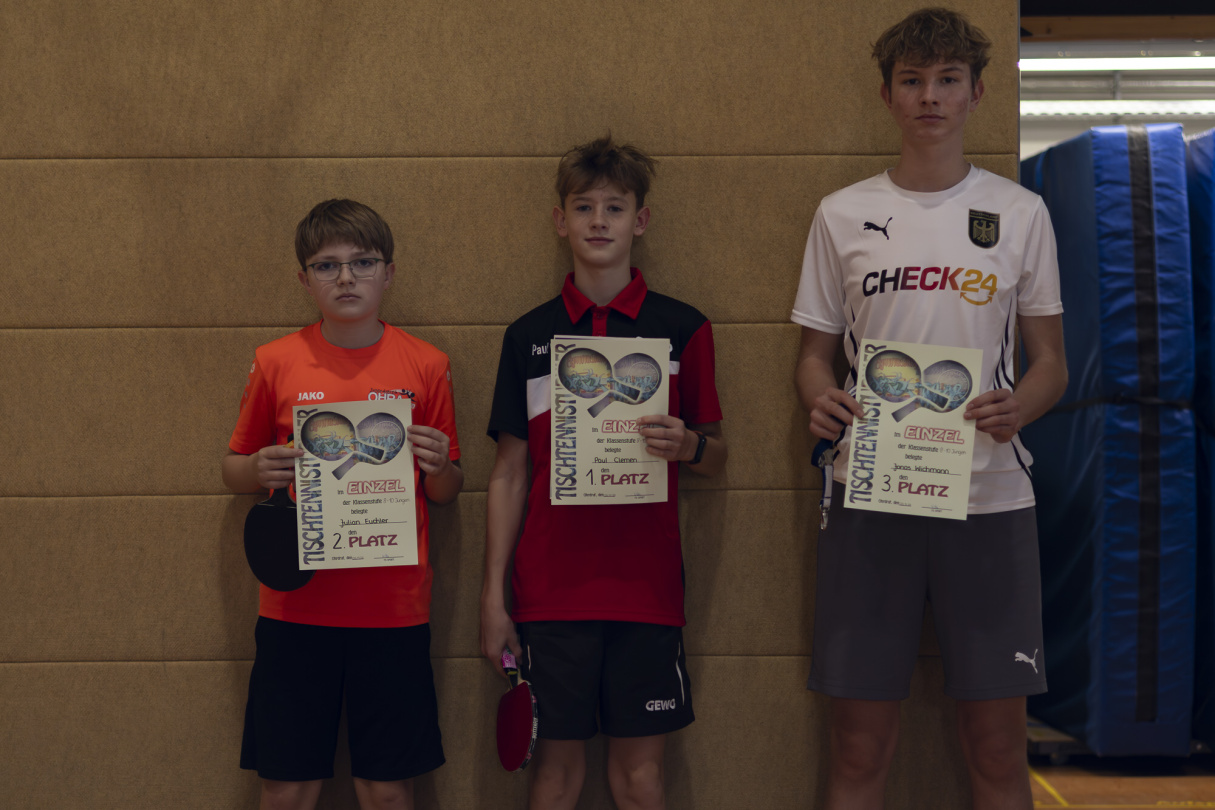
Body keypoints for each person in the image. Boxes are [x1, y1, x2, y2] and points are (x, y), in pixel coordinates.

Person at [791, 9, 1067, 809]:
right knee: (858, 744)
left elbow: (1051, 364)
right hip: (869, 491)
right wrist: (820, 399)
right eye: (911, 81)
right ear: (887, 95)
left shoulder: (1019, 213)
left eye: (947, 80)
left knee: (996, 745)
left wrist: (1020, 406)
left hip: (990, 499)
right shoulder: (840, 214)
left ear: (976, 92)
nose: (929, 97)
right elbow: (812, 359)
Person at [480, 135, 727, 810]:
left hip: (645, 592)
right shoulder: (527, 336)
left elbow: (716, 454)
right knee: (555, 779)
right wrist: (493, 598)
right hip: (550, 594)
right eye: (583, 207)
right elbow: (507, 473)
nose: (598, 221)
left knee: (640, 781)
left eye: (614, 208)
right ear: (559, 221)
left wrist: (689, 447)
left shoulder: (683, 328)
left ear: (639, 220)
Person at [222, 199, 463, 810]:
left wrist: (440, 467)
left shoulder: (427, 364)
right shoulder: (275, 361)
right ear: (304, 280)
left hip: (393, 609)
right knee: (288, 787)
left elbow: (447, 491)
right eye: (326, 265)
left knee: (386, 789)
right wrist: (256, 468)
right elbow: (234, 467)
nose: (346, 277)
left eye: (363, 262)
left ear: (389, 273)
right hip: (296, 607)